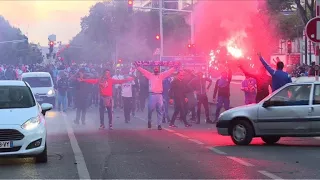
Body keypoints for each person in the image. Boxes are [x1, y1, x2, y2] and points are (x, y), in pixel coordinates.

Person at [136, 65, 177, 130]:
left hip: (159, 95)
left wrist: (175, 67)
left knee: (160, 110)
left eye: (157, 69)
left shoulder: (161, 75)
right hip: (152, 95)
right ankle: (149, 121)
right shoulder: (150, 75)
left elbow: (168, 72)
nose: (156, 70)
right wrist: (138, 67)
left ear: (158, 70)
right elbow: (143, 71)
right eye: (155, 69)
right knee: (150, 110)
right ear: (153, 70)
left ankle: (159, 125)